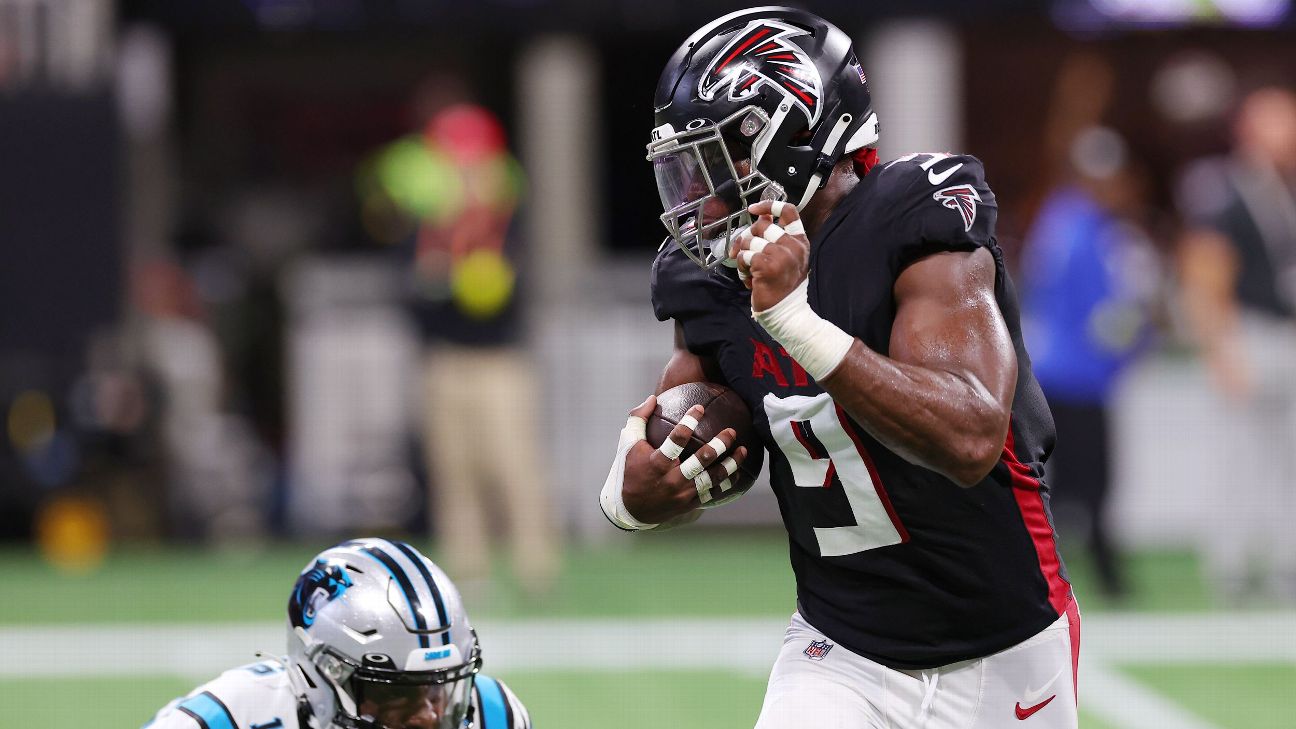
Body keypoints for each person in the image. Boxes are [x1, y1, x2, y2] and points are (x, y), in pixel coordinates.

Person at [600, 8, 1078, 728]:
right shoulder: (707, 276)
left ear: (794, 135)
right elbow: (692, 436)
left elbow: (971, 436)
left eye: (718, 161)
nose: (700, 197)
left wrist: (795, 323)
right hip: (839, 649)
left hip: (1005, 644)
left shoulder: (914, 217)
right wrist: (632, 491)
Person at [143, 538, 531, 729]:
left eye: (439, 688)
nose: (430, 717)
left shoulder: (494, 715)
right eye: (398, 693)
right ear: (319, 679)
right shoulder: (227, 719)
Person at [1020, 126, 1160, 601]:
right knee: (1090, 484)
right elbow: (1110, 317)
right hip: (1078, 377)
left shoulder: (1057, 220)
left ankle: (1053, 573)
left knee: (1060, 485)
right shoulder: (1093, 232)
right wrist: (1141, 334)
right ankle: (1099, 578)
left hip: (1052, 371)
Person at [1177, 86, 1296, 604]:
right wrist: (1220, 347)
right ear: (1246, 128)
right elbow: (1204, 269)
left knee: (1283, 458)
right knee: (1239, 455)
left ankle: (1280, 563)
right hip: (1248, 331)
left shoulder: (1280, 188)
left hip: (1283, 331)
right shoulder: (1225, 189)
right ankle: (1230, 563)